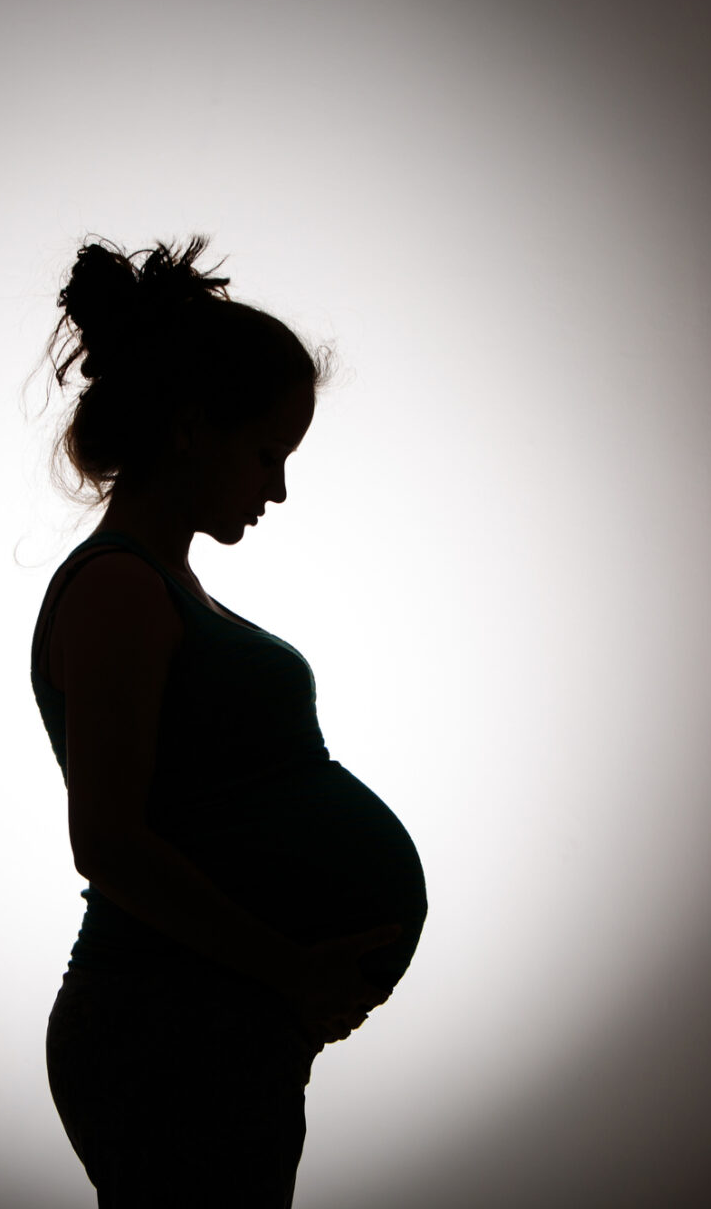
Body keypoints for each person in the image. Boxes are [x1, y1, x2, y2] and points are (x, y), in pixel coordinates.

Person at [28, 237, 428, 1207]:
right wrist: (288, 966)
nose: (277, 488)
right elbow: (110, 842)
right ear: (191, 429)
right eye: (266, 451)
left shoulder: (170, 590)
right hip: (167, 1024)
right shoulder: (117, 588)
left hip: (224, 1020)